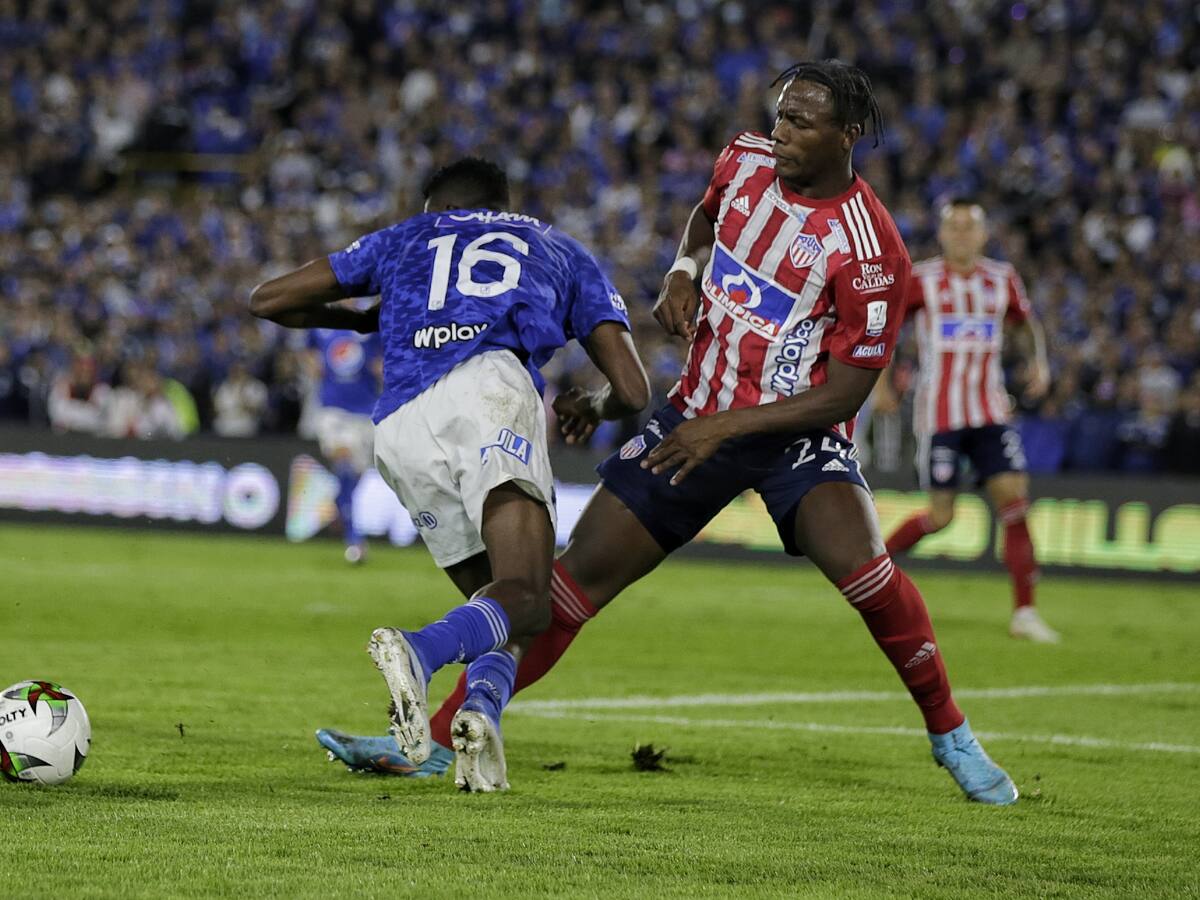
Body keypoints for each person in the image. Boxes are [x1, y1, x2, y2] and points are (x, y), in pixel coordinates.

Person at [320, 62, 1019, 805]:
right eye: (780, 115)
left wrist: (728, 428)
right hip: (694, 415)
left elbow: (846, 390)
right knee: (567, 589)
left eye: (801, 123)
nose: (780, 133)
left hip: (792, 436)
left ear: (848, 136)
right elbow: (708, 216)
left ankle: (952, 737)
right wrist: (685, 269)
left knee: (870, 577)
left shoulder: (873, 252)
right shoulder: (745, 160)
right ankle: (433, 740)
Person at [251, 157, 649, 791]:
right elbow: (631, 388)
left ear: (434, 204)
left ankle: (477, 720)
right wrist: (588, 406)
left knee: (499, 602)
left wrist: (360, 318)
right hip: (489, 390)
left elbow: (268, 299)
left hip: (401, 423)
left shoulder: (408, 235)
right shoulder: (556, 247)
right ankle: (420, 650)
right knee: (526, 597)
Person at [879, 198, 1059, 644]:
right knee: (942, 517)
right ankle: (872, 570)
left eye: (969, 227)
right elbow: (888, 326)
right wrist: (882, 383)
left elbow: (1025, 323)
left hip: (990, 412)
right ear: (942, 235)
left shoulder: (1002, 280)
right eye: (953, 227)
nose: (961, 234)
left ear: (983, 234)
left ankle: (1025, 612)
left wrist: (1039, 363)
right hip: (939, 414)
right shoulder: (922, 279)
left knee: (1015, 505)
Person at [304, 327, 383, 564]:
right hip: (333, 409)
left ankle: (340, 505)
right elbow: (308, 349)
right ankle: (354, 539)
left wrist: (380, 367)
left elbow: (384, 354)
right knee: (344, 462)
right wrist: (313, 365)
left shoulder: (369, 322)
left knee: (353, 478)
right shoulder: (321, 323)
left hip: (365, 411)